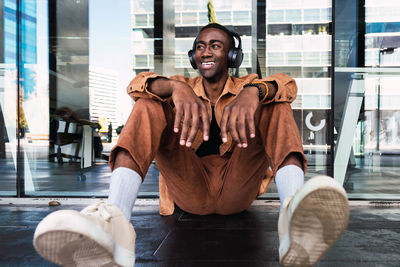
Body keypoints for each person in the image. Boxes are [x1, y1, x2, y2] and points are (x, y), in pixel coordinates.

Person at [33, 23, 349, 267]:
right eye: (200, 47)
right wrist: (174, 88)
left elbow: (288, 86)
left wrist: (254, 93)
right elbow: (135, 86)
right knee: (148, 103)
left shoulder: (247, 84)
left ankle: (292, 221)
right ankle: (115, 223)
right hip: (190, 190)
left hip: (236, 186)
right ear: (193, 56)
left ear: (232, 56)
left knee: (275, 102)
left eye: (216, 46)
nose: (206, 52)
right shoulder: (180, 86)